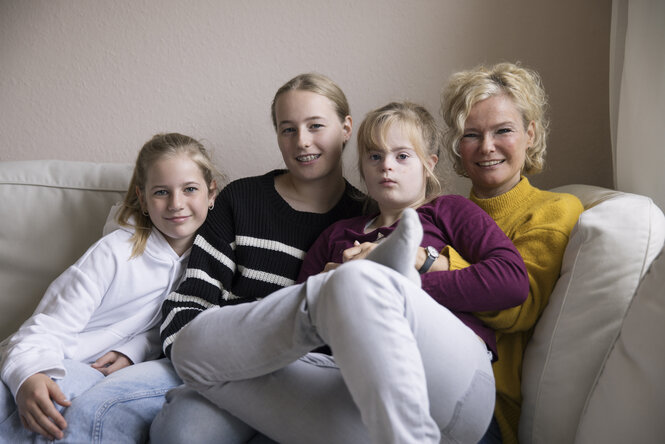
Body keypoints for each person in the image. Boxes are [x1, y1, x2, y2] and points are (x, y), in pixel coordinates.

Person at [167, 101, 530, 443]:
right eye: (375, 156)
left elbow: (511, 283)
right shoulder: (337, 235)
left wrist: (409, 274)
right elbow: (294, 333)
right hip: (357, 395)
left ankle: (374, 284)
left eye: (402, 156)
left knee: (356, 280)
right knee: (190, 351)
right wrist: (332, 292)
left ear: (429, 164)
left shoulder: (449, 211)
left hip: (453, 381)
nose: (386, 166)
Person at [150, 73, 364, 443]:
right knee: (183, 432)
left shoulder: (368, 217)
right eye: (287, 129)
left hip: (315, 383)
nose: (302, 142)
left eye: (316, 126)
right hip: (226, 368)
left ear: (346, 128)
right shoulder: (242, 200)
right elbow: (187, 307)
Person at [0, 132, 220, 443]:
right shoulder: (114, 252)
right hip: (58, 360)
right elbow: (43, 329)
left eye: (190, 189)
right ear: (143, 199)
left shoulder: (214, 260)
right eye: (161, 192)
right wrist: (28, 376)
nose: (176, 204)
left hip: (112, 375)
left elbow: (184, 326)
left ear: (211, 193)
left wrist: (135, 350)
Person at [440, 62, 585, 444]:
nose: (487, 147)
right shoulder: (440, 211)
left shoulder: (555, 209)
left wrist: (433, 264)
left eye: (502, 130)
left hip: (483, 407)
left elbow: (517, 307)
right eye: (472, 135)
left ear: (530, 134)